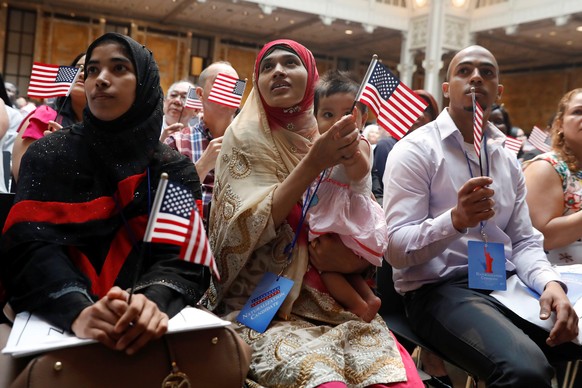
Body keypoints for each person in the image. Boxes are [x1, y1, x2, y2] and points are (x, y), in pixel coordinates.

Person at [204, 38, 422, 387]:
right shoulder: (242, 139)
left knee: (396, 381)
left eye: (290, 63)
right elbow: (234, 232)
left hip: (339, 300)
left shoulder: (335, 133)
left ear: (311, 76)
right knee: (323, 381)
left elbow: (360, 216)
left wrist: (353, 261)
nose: (278, 71)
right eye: (267, 66)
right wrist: (313, 162)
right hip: (268, 304)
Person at [384, 45, 581, 387]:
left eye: (487, 72)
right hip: (440, 289)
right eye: (464, 71)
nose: (476, 77)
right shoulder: (416, 150)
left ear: (498, 91)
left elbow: (523, 241)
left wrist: (550, 284)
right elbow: (395, 250)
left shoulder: (505, 159)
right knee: (525, 371)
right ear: (447, 88)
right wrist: (455, 220)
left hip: (504, 284)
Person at [0, 32, 208, 355]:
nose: (100, 80)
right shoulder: (47, 155)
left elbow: (181, 256)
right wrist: (77, 309)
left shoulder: (174, 170)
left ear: (145, 84)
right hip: (51, 325)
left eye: (119, 68)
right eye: (93, 70)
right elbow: (28, 248)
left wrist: (151, 302)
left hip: (145, 332)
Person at [308, 69, 384, 323]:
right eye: (328, 115)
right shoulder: (318, 144)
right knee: (342, 269)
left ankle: (359, 308)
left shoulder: (360, 144)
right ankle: (369, 300)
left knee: (328, 268)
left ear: (362, 119)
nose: (338, 122)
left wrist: (351, 154)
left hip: (348, 217)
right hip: (332, 213)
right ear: (316, 118)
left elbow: (359, 171)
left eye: (346, 115)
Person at [164, 61, 239, 221]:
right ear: (200, 94)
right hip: (192, 240)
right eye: (221, 83)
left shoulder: (252, 144)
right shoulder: (176, 143)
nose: (230, 92)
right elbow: (164, 209)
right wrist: (202, 166)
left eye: (236, 86)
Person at [523, 88, 582, 266]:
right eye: (578, 112)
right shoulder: (546, 167)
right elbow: (542, 237)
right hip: (560, 281)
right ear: (560, 125)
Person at [11, 53, 86, 182]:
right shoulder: (45, 117)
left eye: (91, 70)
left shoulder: (108, 127)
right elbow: (23, 177)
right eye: (79, 67)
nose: (82, 74)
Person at [371, 89, 439, 206]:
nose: (420, 115)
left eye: (426, 110)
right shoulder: (387, 146)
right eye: (414, 108)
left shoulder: (439, 151)